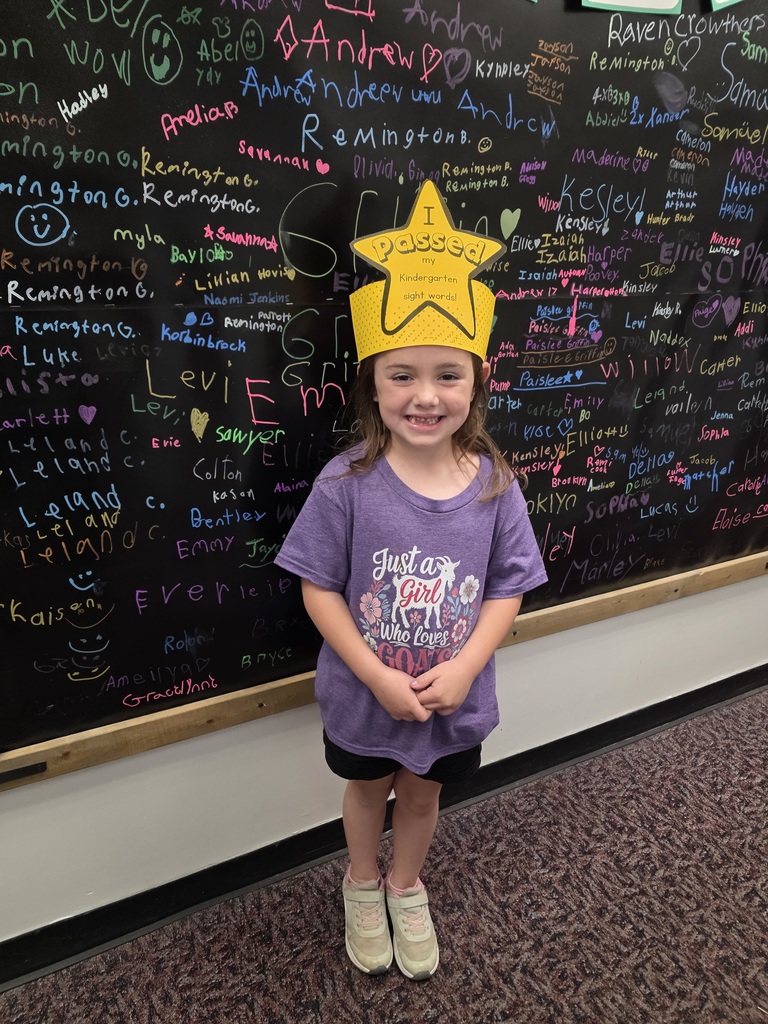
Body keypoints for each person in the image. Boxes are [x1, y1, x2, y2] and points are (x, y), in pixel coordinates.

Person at [275, 181, 547, 981]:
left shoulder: (495, 484)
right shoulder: (346, 483)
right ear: (372, 383)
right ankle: (363, 883)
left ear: (476, 382)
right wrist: (373, 675)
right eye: (401, 375)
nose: (425, 396)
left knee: (423, 797)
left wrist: (464, 667)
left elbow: (508, 586)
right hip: (367, 696)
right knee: (367, 792)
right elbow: (317, 587)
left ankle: (405, 884)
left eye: (446, 376)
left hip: (451, 698)